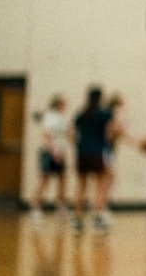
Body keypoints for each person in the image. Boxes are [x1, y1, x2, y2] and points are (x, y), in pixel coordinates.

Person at [72, 86, 120, 232]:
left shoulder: (80, 114)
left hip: (81, 153)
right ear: (101, 97)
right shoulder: (106, 113)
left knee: (81, 186)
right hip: (97, 153)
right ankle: (97, 217)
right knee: (100, 185)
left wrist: (81, 145)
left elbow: (72, 135)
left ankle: (77, 220)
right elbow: (111, 133)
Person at [31, 94, 71, 224]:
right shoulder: (50, 116)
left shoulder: (61, 118)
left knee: (62, 181)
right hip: (49, 152)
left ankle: (60, 209)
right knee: (44, 180)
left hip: (61, 152)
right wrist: (54, 151)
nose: (66, 106)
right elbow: (46, 135)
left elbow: (66, 135)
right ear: (58, 104)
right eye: (64, 103)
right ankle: (36, 209)